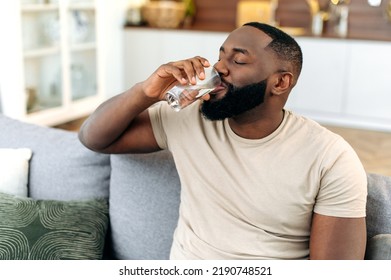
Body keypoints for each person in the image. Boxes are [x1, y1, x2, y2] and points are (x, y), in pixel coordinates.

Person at [78, 22, 367, 260]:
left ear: (280, 83)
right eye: (221, 56)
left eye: (239, 60)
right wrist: (145, 91)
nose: (219, 67)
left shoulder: (330, 157)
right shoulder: (187, 118)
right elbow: (93, 137)